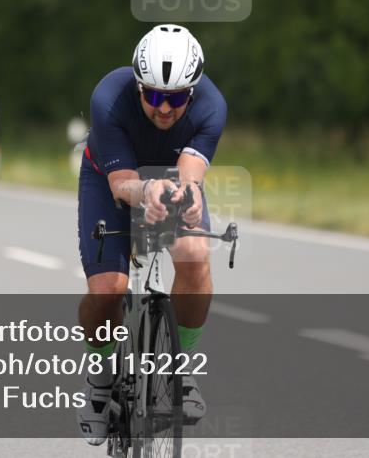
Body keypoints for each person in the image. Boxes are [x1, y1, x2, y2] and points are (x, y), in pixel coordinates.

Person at [76, 25, 226, 445]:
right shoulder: (109, 97)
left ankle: (182, 373)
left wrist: (190, 194)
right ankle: (101, 381)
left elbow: (191, 172)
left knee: (195, 257)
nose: (163, 108)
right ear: (138, 85)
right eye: (153, 95)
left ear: (192, 93)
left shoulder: (213, 105)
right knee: (108, 290)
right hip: (111, 175)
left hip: (168, 175)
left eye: (176, 98)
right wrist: (146, 192)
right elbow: (122, 183)